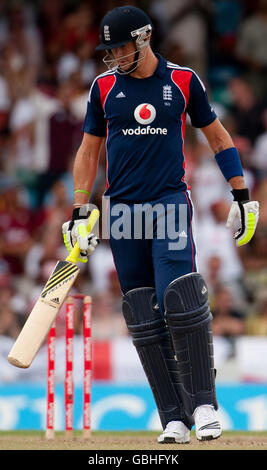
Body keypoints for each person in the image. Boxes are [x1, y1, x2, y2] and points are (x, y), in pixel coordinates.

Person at [62, 6, 259, 444]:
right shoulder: (103, 88)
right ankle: (173, 416)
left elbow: (218, 136)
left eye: (120, 47)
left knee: (180, 298)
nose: (113, 55)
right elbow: (88, 153)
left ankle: (204, 406)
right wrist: (79, 210)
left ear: (144, 38)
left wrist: (241, 194)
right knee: (142, 312)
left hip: (169, 202)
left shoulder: (184, 81)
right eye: (108, 49)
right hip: (122, 211)